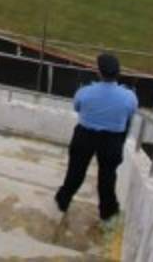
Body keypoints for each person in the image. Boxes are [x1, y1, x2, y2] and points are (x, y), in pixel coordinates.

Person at [55, 53, 137, 225]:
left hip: (85, 135)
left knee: (75, 172)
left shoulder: (85, 92)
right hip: (112, 140)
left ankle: (63, 201)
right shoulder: (129, 97)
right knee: (107, 177)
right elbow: (130, 113)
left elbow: (77, 107)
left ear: (99, 72)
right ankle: (107, 213)